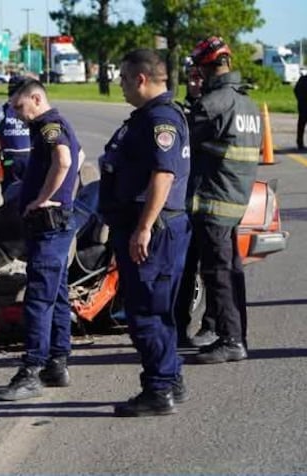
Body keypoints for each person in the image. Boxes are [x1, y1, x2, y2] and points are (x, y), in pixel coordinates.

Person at [98, 49, 191, 416]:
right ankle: (171, 377)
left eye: (122, 78)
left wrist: (144, 227)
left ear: (140, 78)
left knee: (145, 313)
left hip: (153, 229)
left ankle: (157, 390)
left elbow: (163, 175)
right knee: (158, 309)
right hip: (151, 227)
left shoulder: (160, 120)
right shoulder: (149, 118)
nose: (119, 84)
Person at [0, 78, 81, 401]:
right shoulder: (50, 124)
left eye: (19, 106)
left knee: (39, 299)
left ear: (35, 98)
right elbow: (80, 155)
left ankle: (31, 370)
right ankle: (57, 363)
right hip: (54, 225)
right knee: (57, 296)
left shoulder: (49, 125)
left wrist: (45, 197)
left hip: (49, 225)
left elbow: (67, 160)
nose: (16, 113)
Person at [175, 37, 262, 363]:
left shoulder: (214, 104)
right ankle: (235, 335)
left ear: (210, 67)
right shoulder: (246, 104)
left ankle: (231, 341)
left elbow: (182, 141)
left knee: (219, 274)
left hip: (212, 201)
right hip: (234, 200)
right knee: (231, 271)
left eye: (200, 69)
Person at [0, 76, 32, 197]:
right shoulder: (30, 110)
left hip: (10, 159)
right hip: (29, 157)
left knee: (10, 192)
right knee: (31, 192)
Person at [295, 73, 307, 150]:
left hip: (302, 106)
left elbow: (296, 90)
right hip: (304, 105)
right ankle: (300, 142)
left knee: (301, 125)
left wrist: (300, 100)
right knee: (301, 125)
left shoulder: (302, 79)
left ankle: (300, 143)